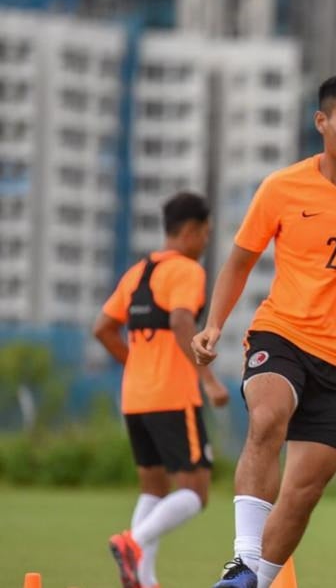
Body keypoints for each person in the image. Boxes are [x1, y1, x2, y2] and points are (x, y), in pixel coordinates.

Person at [191, 75, 336, 588]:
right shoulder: (281, 187)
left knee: (304, 488)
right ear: (322, 122)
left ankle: (252, 580)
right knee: (268, 417)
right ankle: (243, 557)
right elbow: (237, 263)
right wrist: (214, 324)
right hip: (281, 334)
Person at [95, 192, 230, 588]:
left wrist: (135, 363)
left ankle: (143, 579)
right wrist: (208, 379)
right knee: (196, 492)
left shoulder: (136, 273)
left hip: (135, 398)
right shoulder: (186, 270)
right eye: (205, 234)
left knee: (154, 488)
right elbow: (182, 322)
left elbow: (101, 328)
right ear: (189, 232)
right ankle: (132, 542)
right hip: (173, 396)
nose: (206, 242)